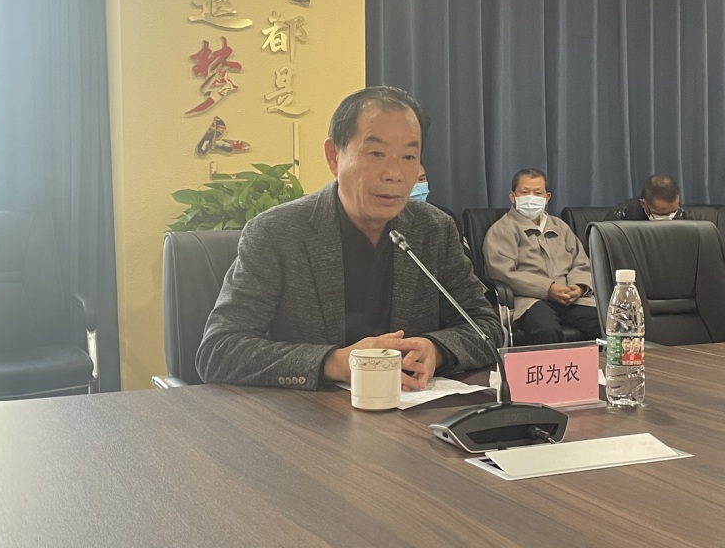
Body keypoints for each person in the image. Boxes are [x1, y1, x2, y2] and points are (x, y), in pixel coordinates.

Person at [197, 86, 501, 390]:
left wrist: (436, 350)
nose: (394, 173)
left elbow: (486, 327)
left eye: (409, 156)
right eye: (377, 154)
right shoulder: (276, 233)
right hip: (310, 414)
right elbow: (220, 351)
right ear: (334, 156)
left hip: (411, 410)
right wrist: (337, 362)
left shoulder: (434, 229)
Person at [482, 168, 600, 345]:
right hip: (528, 299)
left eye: (538, 193)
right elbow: (503, 273)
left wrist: (579, 287)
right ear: (513, 197)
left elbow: (581, 263)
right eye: (525, 192)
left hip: (569, 298)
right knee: (546, 330)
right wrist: (547, 289)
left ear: (547, 197)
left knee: (606, 322)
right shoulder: (502, 230)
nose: (531, 198)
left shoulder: (560, 226)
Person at [610, 174, 690, 221]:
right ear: (643, 204)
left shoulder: (684, 216)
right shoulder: (618, 219)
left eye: (674, 212)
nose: (669, 219)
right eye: (661, 215)